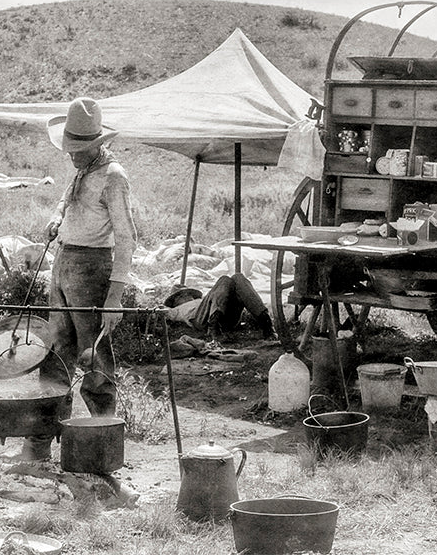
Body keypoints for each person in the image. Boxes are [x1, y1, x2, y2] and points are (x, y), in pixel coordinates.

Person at [20, 97, 137, 461]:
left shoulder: (113, 177)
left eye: (78, 149)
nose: (71, 155)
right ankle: (39, 446)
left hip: (92, 269)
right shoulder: (81, 169)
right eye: (69, 148)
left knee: (96, 361)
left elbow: (127, 237)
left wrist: (114, 297)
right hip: (63, 264)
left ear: (97, 145)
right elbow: (65, 200)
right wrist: (56, 218)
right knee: (55, 355)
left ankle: (102, 449)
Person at [164, 272, 274, 341]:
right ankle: (214, 328)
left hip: (225, 316)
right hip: (203, 319)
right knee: (224, 279)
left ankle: (265, 322)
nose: (186, 296)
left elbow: (219, 297)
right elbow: (163, 313)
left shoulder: (201, 300)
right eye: (181, 296)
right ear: (175, 302)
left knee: (238, 277)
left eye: (188, 293)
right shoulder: (176, 310)